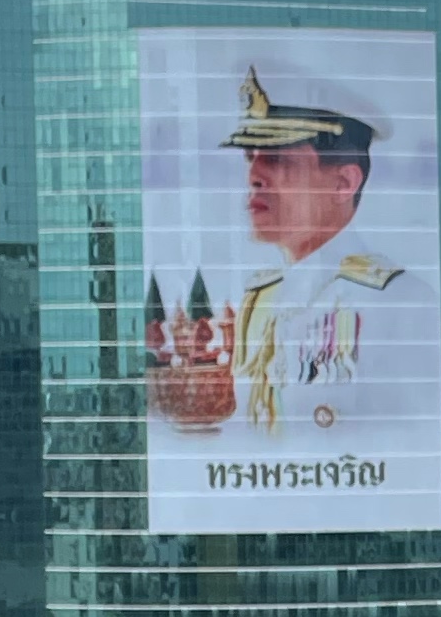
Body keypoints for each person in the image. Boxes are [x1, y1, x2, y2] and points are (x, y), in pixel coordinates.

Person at [144, 68, 406, 448]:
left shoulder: (398, 300)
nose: (253, 176)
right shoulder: (261, 297)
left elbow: (406, 442)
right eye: (251, 157)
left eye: (278, 160)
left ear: (343, 183)